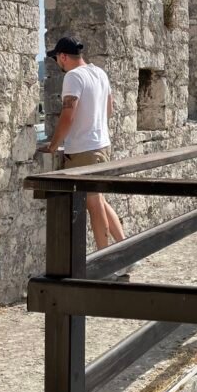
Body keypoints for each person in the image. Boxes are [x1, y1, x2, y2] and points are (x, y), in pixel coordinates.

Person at [46, 36, 125, 251]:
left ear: (63, 56)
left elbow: (67, 115)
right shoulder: (100, 73)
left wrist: (53, 146)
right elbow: (110, 109)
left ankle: (106, 259)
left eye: (56, 59)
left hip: (83, 150)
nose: (57, 64)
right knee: (99, 200)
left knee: (94, 206)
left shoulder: (73, 77)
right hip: (102, 145)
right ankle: (126, 252)